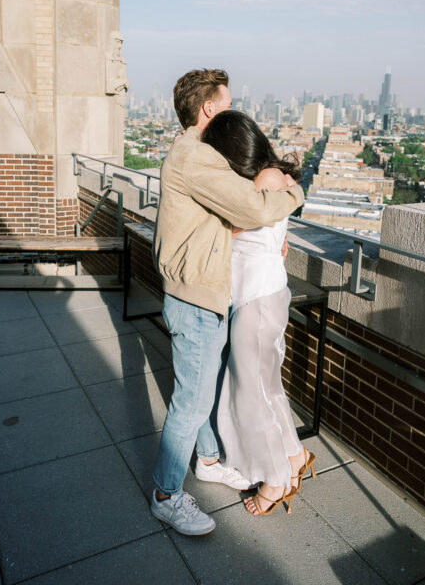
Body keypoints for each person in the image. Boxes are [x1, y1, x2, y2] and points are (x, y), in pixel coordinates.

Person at [150, 69, 305, 536]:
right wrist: (296, 192)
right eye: (228, 100)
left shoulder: (194, 155)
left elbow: (228, 223)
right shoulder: (195, 157)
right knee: (191, 403)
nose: (234, 107)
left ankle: (211, 461)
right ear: (209, 109)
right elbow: (255, 208)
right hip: (196, 298)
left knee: (207, 387)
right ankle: (166, 494)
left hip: (206, 293)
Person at [201, 110, 317, 516]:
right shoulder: (273, 176)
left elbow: (235, 227)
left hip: (257, 298)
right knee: (266, 388)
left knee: (250, 393)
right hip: (263, 293)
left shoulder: (265, 179)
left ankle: (275, 480)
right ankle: (295, 455)